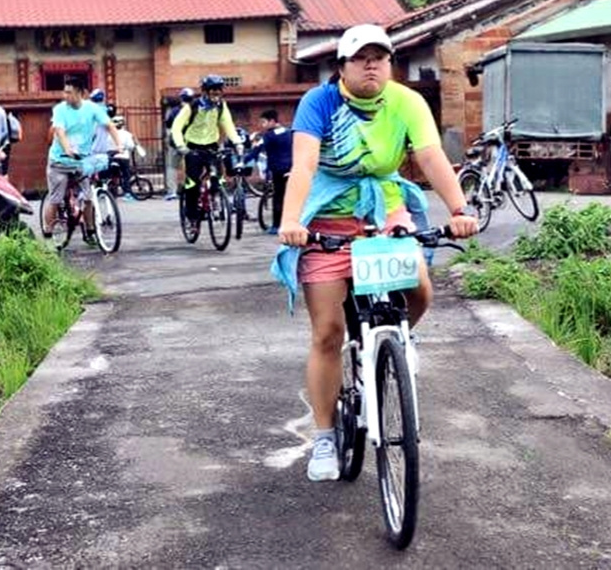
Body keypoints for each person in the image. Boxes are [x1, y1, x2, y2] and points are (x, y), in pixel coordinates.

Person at [274, 24, 479, 482]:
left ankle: (396, 339)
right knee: (327, 331)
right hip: (327, 216)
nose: (372, 65)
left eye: (380, 57)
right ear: (342, 66)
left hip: (384, 209)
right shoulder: (320, 103)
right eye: (361, 57)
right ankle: (325, 437)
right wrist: (292, 222)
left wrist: (460, 209)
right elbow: (303, 165)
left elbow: (430, 158)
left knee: (420, 290)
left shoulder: (407, 102)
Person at [42, 76, 122, 243]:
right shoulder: (60, 110)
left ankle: (91, 231)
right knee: (55, 198)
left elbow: (109, 126)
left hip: (81, 161)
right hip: (60, 161)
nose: (65, 95)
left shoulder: (92, 108)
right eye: (65, 92)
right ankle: (48, 236)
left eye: (69, 92)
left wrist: (119, 145)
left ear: (81, 93)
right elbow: (60, 131)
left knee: (88, 197)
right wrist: (67, 149)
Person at [170, 76, 243, 226]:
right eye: (213, 91)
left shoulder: (221, 106)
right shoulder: (192, 106)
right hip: (192, 148)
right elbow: (176, 127)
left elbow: (228, 124)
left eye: (218, 91)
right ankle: (191, 215)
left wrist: (237, 142)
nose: (216, 94)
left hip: (211, 146)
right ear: (205, 92)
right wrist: (181, 146)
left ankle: (213, 200)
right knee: (193, 183)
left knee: (218, 180)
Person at [253, 109, 293, 235]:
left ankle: (277, 225)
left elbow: (257, 150)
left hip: (278, 170)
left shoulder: (269, 136)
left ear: (272, 121)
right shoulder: (289, 132)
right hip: (293, 168)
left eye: (264, 122)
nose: (262, 125)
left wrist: (244, 161)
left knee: (278, 197)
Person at [162, 89, 194, 200]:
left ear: (181, 98)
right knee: (192, 167)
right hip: (191, 142)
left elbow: (169, 125)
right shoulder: (195, 110)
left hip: (176, 143)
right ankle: (191, 188)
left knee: (172, 167)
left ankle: (172, 192)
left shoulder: (175, 111)